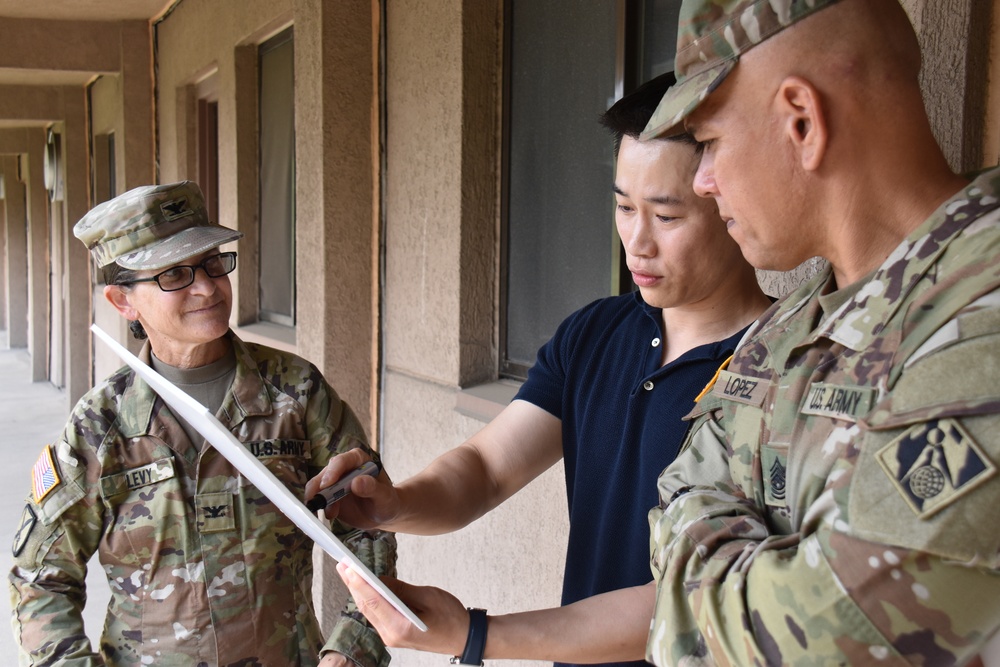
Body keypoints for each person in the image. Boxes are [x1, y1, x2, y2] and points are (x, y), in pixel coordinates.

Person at [312, 72, 773, 665]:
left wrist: (476, 635)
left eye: (666, 216)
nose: (637, 242)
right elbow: (486, 469)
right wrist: (396, 503)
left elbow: (695, 602)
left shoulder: (781, 366)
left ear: (731, 200)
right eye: (623, 206)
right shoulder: (596, 334)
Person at [635, 0, 1000, 665]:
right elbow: (680, 485)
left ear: (802, 120)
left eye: (710, 142)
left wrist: (702, 555)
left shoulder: (984, 324)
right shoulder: (793, 321)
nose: (703, 181)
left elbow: (819, 639)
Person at [9, 181, 396, 667]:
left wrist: (350, 649)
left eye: (214, 263)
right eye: (175, 274)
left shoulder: (295, 393)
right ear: (123, 301)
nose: (208, 286)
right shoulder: (101, 427)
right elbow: (40, 576)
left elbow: (371, 525)